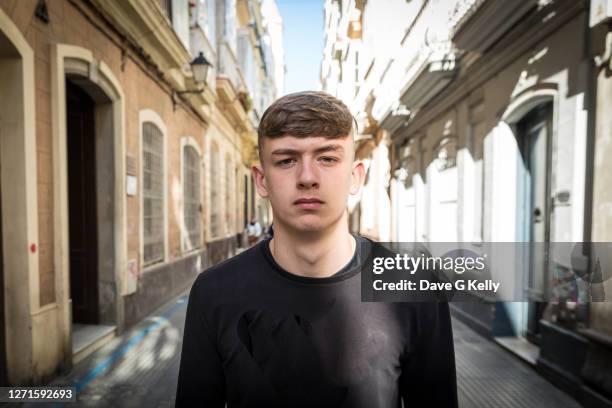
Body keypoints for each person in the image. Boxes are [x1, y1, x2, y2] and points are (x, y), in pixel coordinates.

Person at [176, 91, 457, 407]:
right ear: (261, 180)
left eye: (328, 158)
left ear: (355, 176)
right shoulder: (214, 292)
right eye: (286, 160)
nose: (307, 177)